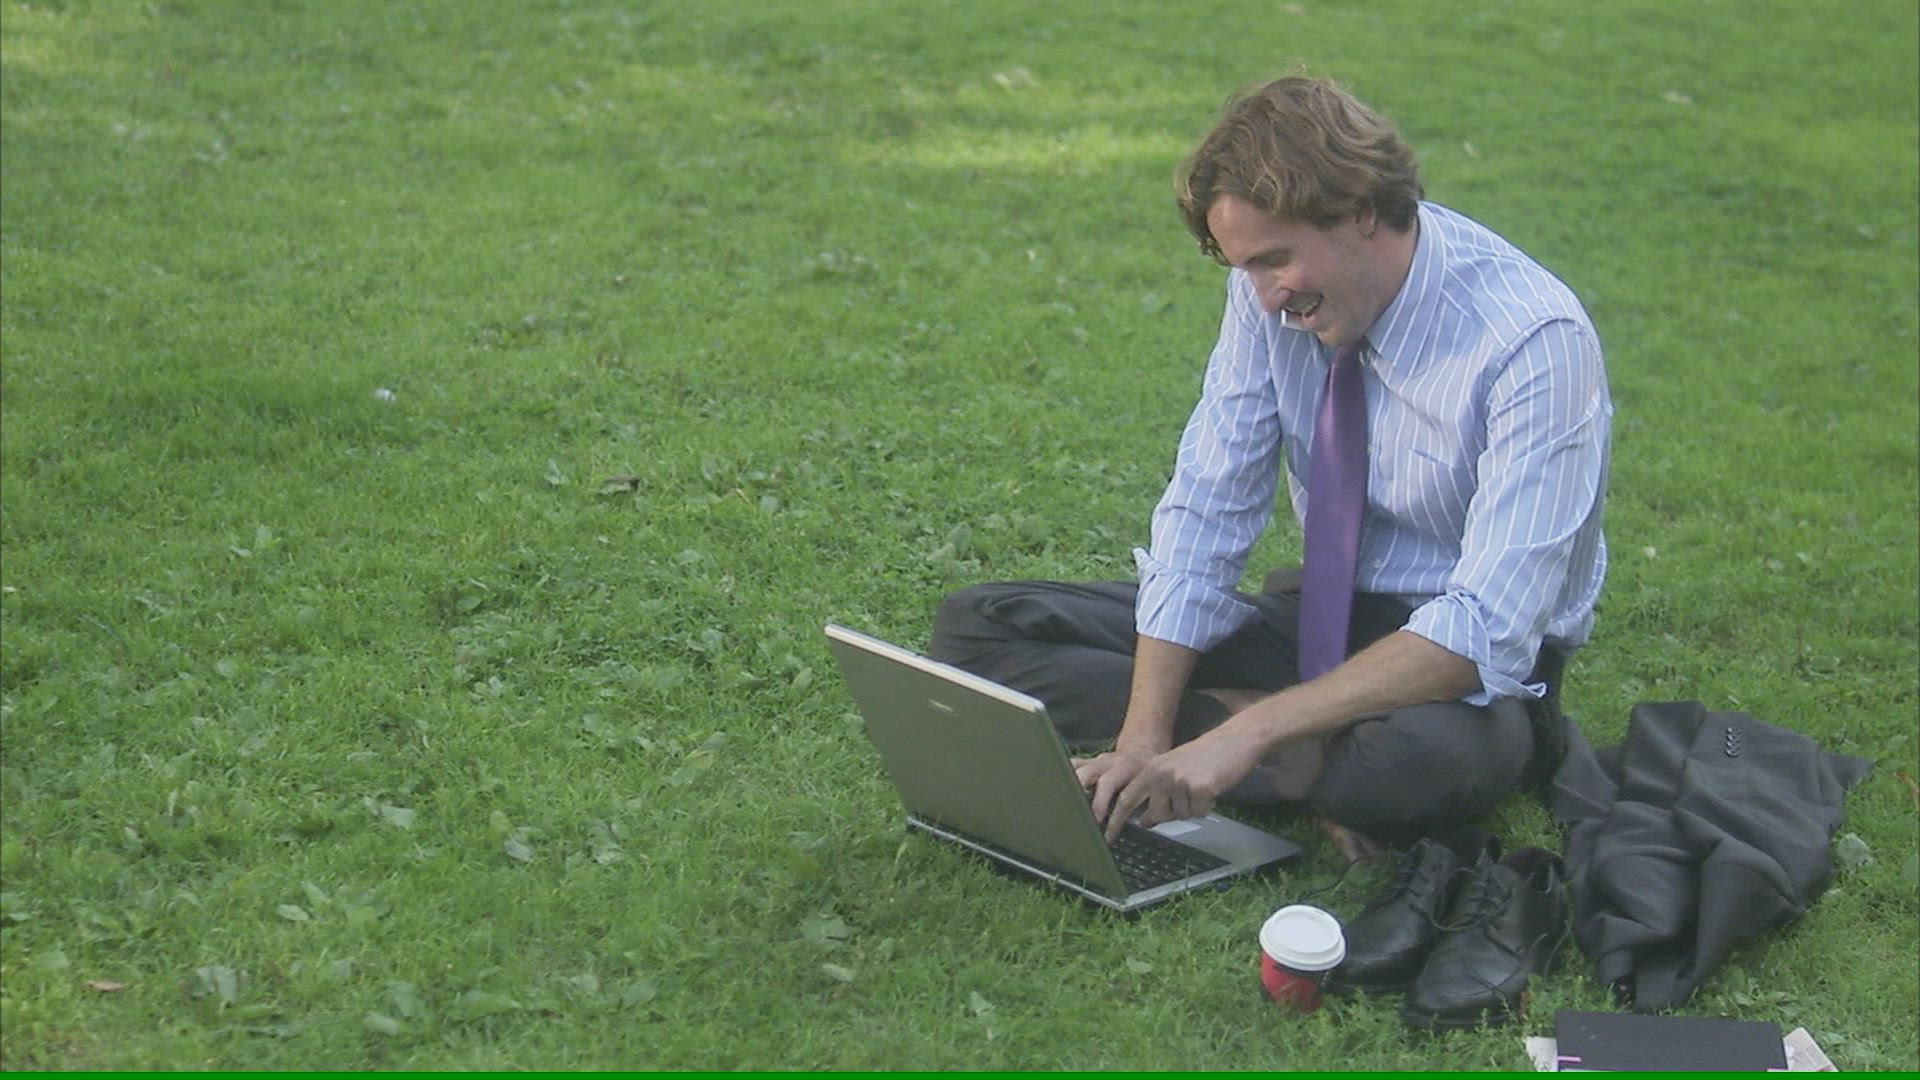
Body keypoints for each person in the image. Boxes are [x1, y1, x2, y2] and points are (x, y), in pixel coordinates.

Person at [928, 76, 1611, 861]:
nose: (1261, 298)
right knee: (980, 629)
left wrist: (1247, 733)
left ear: (1361, 211)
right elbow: (1209, 505)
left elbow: (1486, 630)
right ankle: (1307, 750)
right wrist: (1143, 737)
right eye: (1244, 266)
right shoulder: (1272, 297)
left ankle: (1288, 743)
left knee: (1405, 772)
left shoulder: (1534, 342)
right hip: (1323, 615)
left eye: (1276, 260)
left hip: (1463, 669)